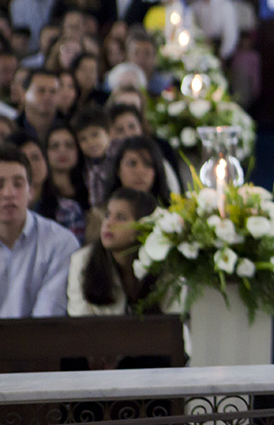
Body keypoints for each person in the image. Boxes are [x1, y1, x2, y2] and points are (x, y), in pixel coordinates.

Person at [0, 143, 78, 317]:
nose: (8, 193)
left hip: (40, 342)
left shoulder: (60, 242)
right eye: (0, 185)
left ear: (31, 190)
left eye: (18, 184)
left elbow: (47, 319)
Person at [67, 187, 165, 316]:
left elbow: (177, 319)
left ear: (143, 227)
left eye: (121, 217)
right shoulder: (82, 261)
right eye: (107, 215)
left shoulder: (164, 261)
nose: (108, 223)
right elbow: (80, 325)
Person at [8, 130, 86, 243]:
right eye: (23, 159)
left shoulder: (68, 211)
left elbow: (74, 257)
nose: (30, 165)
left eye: (35, 157)